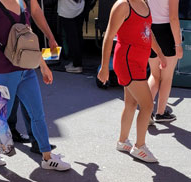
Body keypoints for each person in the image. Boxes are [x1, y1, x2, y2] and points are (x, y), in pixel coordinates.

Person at [0, 0, 71, 170]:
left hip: (26, 68)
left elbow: (27, 35)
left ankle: (47, 156)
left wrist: (43, 64)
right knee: (0, 118)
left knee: (37, 113)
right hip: (2, 70)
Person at [97, 0, 167, 163]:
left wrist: (161, 54)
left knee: (130, 104)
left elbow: (148, 32)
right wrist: (104, 67)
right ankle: (139, 146)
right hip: (127, 61)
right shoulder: (123, 5)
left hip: (139, 61)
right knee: (148, 105)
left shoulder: (143, 3)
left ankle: (122, 142)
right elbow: (108, 36)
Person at [147, 0, 182, 123]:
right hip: (167, 32)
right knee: (166, 77)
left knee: (154, 74)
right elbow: (173, 18)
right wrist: (178, 44)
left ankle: (147, 113)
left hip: (150, 30)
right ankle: (160, 113)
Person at [58, 0, 85, 73]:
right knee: (78, 35)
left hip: (67, 10)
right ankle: (77, 63)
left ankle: (77, 64)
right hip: (80, 7)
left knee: (72, 38)